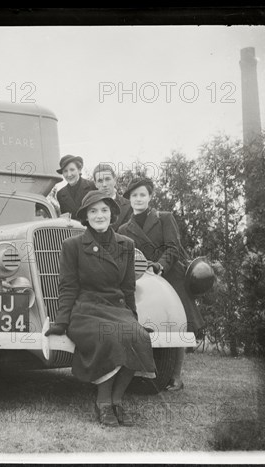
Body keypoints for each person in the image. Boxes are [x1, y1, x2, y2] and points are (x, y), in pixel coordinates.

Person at [45, 190, 156, 427]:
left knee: (139, 338)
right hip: (85, 310)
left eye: (104, 210)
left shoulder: (127, 245)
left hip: (117, 308)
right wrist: (61, 321)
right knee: (110, 338)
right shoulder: (72, 245)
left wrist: (134, 319)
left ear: (112, 214)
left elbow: (128, 288)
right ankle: (103, 402)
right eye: (93, 211)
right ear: (86, 217)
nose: (99, 215)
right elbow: (68, 286)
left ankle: (117, 400)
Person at [118, 177, 205, 391]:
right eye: (134, 195)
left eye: (142, 195)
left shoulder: (165, 218)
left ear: (150, 197)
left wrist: (158, 266)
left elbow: (173, 248)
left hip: (169, 275)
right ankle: (145, 369)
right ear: (129, 199)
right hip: (141, 279)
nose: (138, 199)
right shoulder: (123, 228)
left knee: (176, 324)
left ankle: (176, 376)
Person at [92, 163, 132, 231]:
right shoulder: (90, 207)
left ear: (115, 180)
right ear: (95, 184)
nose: (104, 184)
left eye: (107, 179)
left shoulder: (129, 206)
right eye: (100, 181)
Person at [55, 154, 96, 221]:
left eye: (72, 170)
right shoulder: (60, 194)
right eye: (65, 171)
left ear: (79, 170)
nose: (69, 174)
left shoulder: (92, 186)